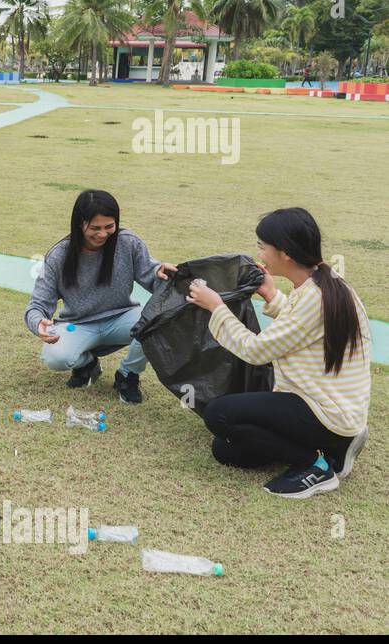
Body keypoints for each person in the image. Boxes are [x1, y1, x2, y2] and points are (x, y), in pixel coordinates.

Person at [187, 208, 371, 498]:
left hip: (323, 410)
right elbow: (300, 327)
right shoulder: (328, 282)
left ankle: (315, 465)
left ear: (284, 252)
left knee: (219, 415)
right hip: (332, 407)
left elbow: (255, 350)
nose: (259, 253)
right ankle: (336, 447)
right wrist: (271, 295)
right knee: (226, 450)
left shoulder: (315, 297)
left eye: (262, 246)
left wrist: (215, 306)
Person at [24, 189, 179, 404]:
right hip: (78, 324)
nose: (103, 234)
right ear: (80, 224)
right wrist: (38, 322)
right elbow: (38, 304)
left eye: (109, 227)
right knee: (55, 358)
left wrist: (162, 274)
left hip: (122, 318)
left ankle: (127, 374)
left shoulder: (128, 242)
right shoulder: (59, 255)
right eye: (95, 228)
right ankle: (87, 365)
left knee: (155, 322)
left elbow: (152, 274)